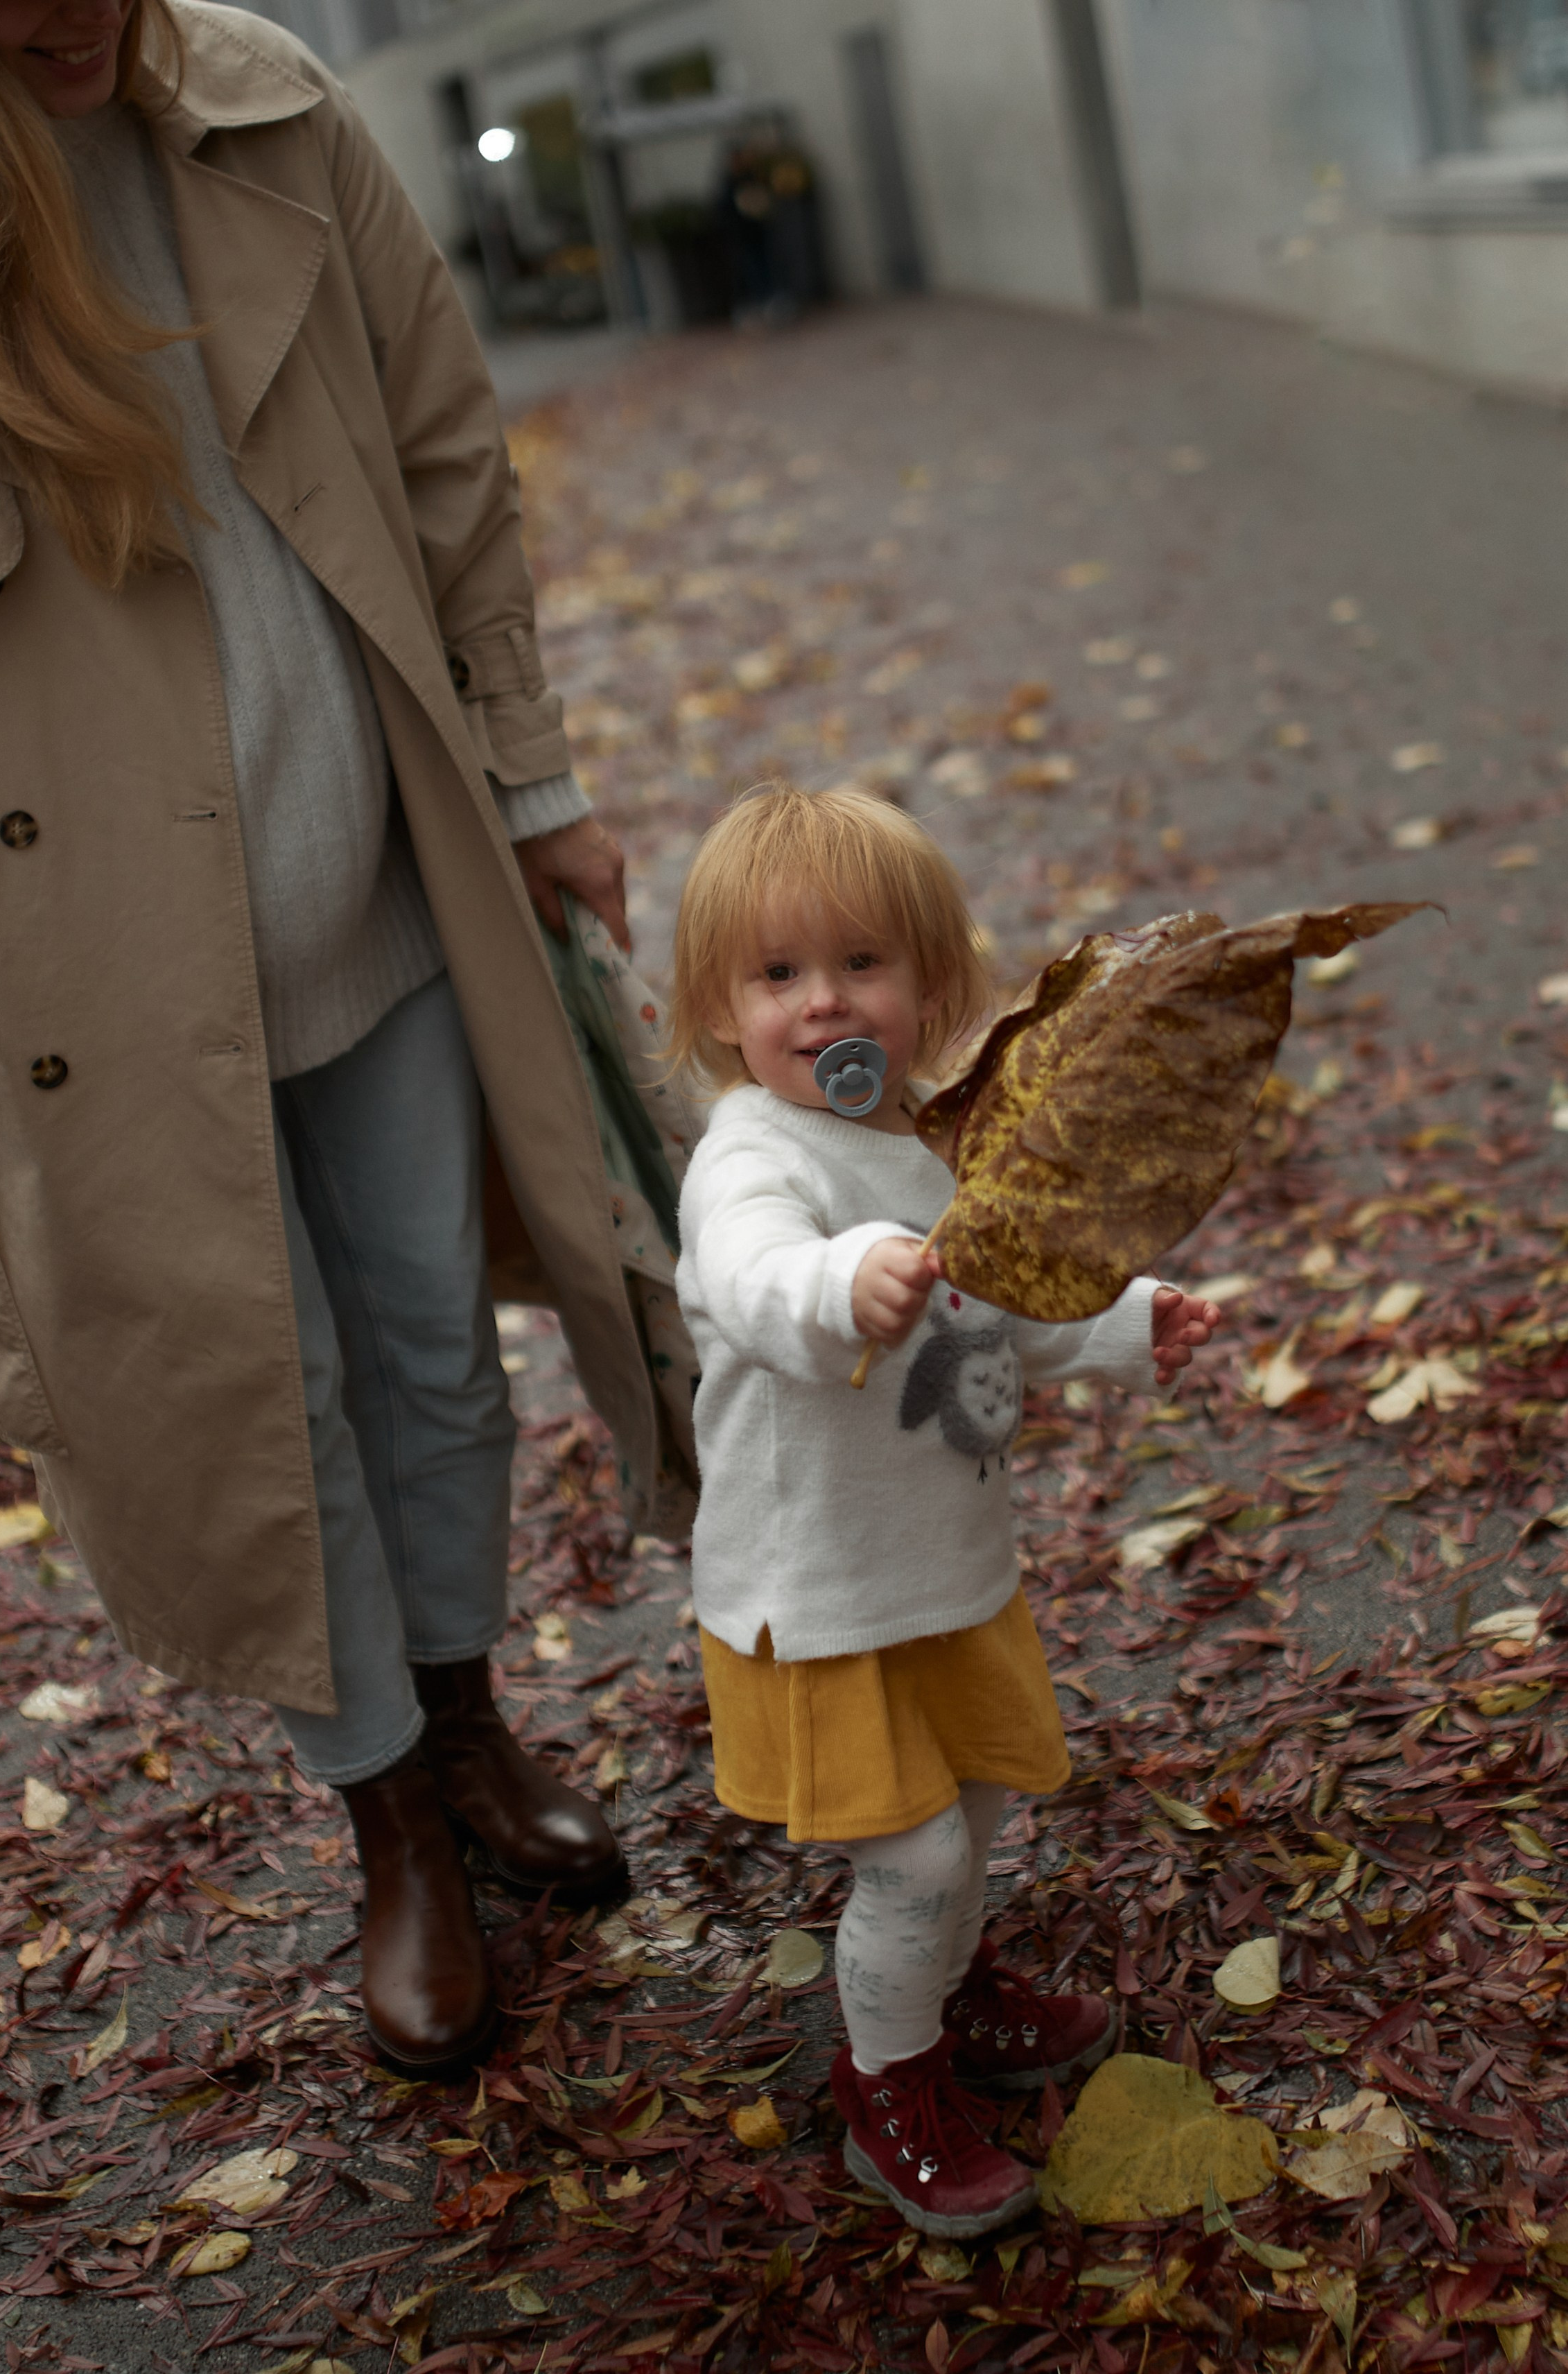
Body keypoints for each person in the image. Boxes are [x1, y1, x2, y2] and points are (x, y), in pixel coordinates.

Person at [0, 0, 665, 2077]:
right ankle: (390, 1826)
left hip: (376, 873)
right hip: (98, 973)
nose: (62, 12)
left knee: (435, 1352)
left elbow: (446, 448)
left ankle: (465, 1723)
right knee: (264, 1408)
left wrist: (531, 784)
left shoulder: (272, 106)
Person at [670, 785, 1221, 2239]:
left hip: (942, 1568)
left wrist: (1123, 1323)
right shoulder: (751, 1159)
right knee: (911, 1859)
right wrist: (835, 1280)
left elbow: (996, 1301)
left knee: (967, 1819)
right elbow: (748, 1275)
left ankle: (947, 1987)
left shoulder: (925, 1142)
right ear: (721, 1008)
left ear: (928, 987)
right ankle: (887, 2082)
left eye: (861, 962)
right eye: (778, 972)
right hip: (824, 1596)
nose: (823, 1000)